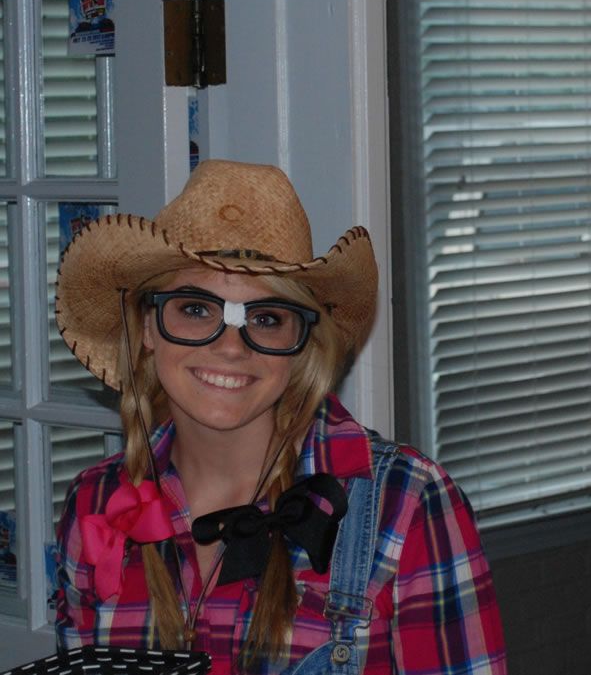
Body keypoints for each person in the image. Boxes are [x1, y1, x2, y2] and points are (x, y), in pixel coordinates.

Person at [53, 160, 508, 674]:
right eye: (197, 309)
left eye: (265, 319)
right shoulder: (95, 504)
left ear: (301, 345)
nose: (229, 348)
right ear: (148, 326)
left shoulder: (403, 503)